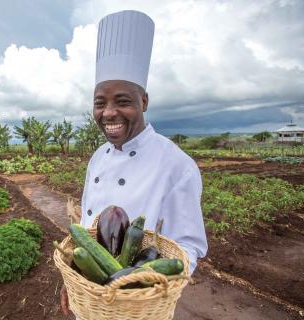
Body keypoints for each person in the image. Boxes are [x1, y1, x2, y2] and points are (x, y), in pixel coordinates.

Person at [60, 10, 208, 316]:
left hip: (138, 306)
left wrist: (143, 294)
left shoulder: (176, 164)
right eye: (100, 103)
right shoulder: (98, 156)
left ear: (144, 101)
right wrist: (71, 278)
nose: (109, 113)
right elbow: (88, 235)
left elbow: (189, 249)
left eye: (123, 101)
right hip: (89, 300)